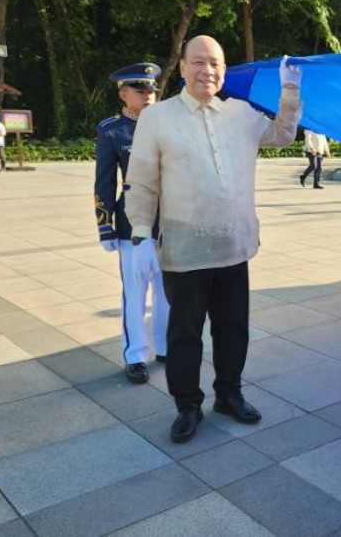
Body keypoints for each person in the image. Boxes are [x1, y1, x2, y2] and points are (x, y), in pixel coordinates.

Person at [124, 36, 303, 444]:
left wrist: (290, 91)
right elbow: (142, 181)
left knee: (232, 327)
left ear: (225, 69)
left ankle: (229, 394)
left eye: (216, 63)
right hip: (185, 249)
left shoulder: (240, 113)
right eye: (199, 62)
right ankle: (187, 404)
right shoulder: (158, 118)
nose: (208, 70)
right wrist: (138, 236)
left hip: (233, 246)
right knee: (184, 333)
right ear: (183, 67)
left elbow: (283, 135)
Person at [96, 62, 171, 384]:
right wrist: (105, 225)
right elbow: (104, 181)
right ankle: (136, 355)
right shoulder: (112, 130)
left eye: (152, 90)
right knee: (136, 294)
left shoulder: (169, 124)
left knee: (168, 295)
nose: (148, 95)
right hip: (132, 227)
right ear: (123, 94)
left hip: (169, 224)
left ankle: (167, 348)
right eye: (141, 91)